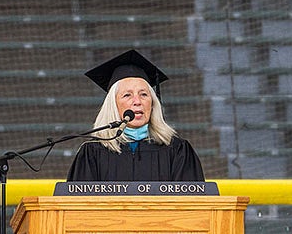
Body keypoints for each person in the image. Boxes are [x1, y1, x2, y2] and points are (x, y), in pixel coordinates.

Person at [66, 49, 205, 182]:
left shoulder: (177, 150)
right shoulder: (92, 153)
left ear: (152, 104)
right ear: (113, 105)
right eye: (127, 95)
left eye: (144, 94)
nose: (137, 102)